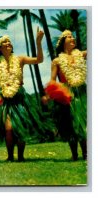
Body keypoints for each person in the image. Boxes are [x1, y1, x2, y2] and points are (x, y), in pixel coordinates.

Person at [0, 29, 49, 162]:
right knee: (9, 129)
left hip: (20, 99)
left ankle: (21, 157)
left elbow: (39, 59)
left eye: (9, 42)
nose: (8, 44)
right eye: (5, 42)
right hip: (5, 101)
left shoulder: (20, 59)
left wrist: (38, 42)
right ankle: (10, 156)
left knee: (20, 128)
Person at [42, 30, 87, 161]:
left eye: (73, 36)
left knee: (83, 123)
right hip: (66, 94)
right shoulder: (57, 61)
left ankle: (86, 154)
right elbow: (52, 80)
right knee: (70, 124)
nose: (72, 38)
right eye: (69, 37)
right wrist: (48, 95)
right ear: (62, 42)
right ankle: (74, 154)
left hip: (82, 93)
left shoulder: (82, 54)